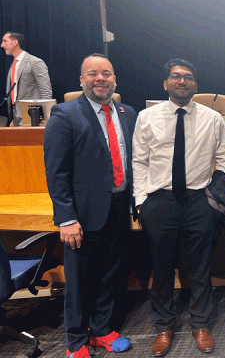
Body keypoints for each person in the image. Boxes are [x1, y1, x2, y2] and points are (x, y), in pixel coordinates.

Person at [132, 58, 225, 356]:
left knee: (201, 267)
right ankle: (164, 326)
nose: (182, 81)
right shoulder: (146, 117)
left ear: (195, 85)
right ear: (165, 83)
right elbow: (138, 160)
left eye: (188, 77)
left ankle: (201, 323)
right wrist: (141, 201)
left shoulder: (212, 118)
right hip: (159, 201)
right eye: (175, 76)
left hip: (198, 201)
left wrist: (216, 200)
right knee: (162, 267)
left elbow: (224, 160)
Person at [44, 53, 136, 358]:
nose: (100, 79)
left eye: (106, 74)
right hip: (82, 215)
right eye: (93, 74)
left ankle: (101, 330)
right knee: (80, 281)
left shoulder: (127, 112)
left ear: (114, 80)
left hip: (120, 206)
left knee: (111, 273)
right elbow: (56, 173)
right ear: (81, 80)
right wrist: (66, 218)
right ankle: (76, 342)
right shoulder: (65, 114)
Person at [1, 32, 52, 126]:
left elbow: (46, 92)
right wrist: (14, 119)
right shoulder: (13, 64)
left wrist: (45, 119)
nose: (2, 45)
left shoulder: (35, 62)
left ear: (15, 42)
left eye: (5, 41)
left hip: (34, 119)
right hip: (17, 120)